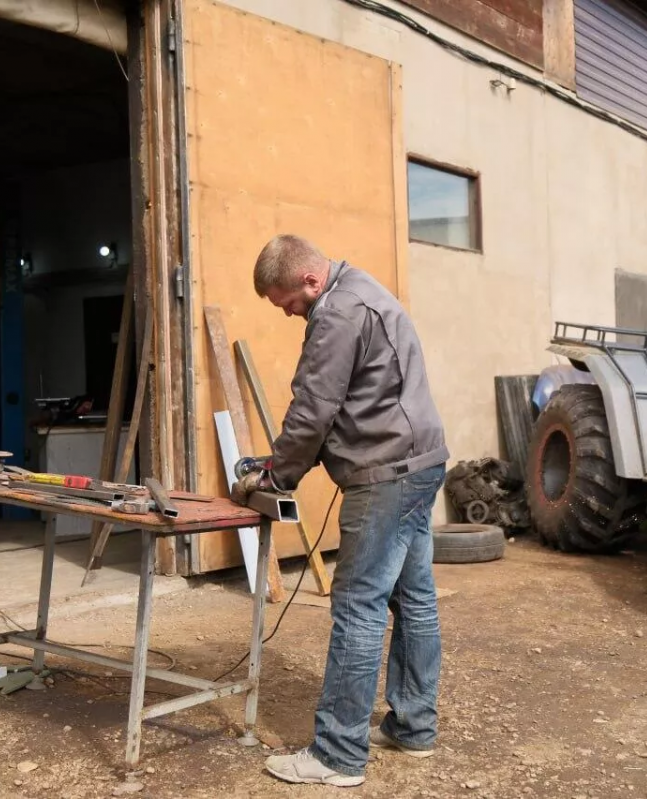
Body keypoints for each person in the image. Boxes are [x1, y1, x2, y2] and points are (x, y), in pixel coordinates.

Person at [244, 234, 449, 788]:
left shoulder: (337, 312)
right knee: (414, 600)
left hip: (385, 475)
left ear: (310, 280)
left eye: (286, 301)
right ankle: (413, 726)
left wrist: (274, 475)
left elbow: (312, 411)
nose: (288, 313)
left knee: (358, 608)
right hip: (421, 462)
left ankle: (337, 755)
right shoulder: (365, 289)